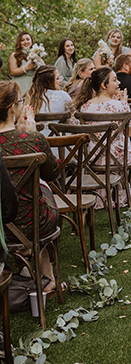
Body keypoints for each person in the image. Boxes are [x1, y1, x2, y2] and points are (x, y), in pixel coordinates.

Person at [0, 81, 61, 293]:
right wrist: (33, 134)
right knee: (42, 190)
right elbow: (53, 174)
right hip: (32, 221)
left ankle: (25, 255)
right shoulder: (33, 139)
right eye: (20, 101)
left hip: (1, 225)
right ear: (11, 108)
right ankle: (48, 278)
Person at [74, 67, 131, 208]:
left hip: (93, 157)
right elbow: (129, 133)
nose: (118, 82)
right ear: (104, 85)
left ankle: (99, 196)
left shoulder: (85, 107)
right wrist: (124, 103)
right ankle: (120, 195)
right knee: (122, 141)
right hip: (117, 158)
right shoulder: (121, 106)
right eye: (114, 80)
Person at [8, 32, 45, 96]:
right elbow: (12, 72)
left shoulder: (36, 55)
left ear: (31, 41)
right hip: (21, 85)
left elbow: (45, 69)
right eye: (22, 40)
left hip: (34, 86)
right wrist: (27, 67)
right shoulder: (15, 55)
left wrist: (37, 65)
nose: (26, 42)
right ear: (19, 42)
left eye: (28, 39)